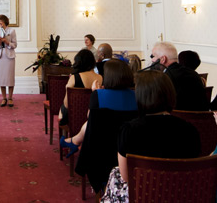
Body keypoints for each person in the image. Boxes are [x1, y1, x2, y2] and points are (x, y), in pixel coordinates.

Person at [101, 70, 201, 202]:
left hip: (142, 196)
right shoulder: (190, 129)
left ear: (140, 96)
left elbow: (126, 177)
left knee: (116, 173)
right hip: (180, 195)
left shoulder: (129, 130)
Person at [65, 60, 137, 193]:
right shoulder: (137, 96)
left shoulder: (99, 95)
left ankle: (75, 141)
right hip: (128, 152)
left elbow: (90, 118)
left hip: (101, 154)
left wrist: (94, 92)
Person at [150, 41, 208, 111]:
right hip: (201, 119)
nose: (152, 60)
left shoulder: (164, 79)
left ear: (163, 59)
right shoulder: (194, 74)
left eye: (153, 56)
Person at [59, 49, 103, 126]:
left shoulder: (74, 77)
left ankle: (63, 133)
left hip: (75, 116)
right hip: (93, 117)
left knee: (62, 108)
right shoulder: (100, 78)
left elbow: (66, 104)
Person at [0, 14, 17, 107]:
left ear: (5, 21)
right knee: (2, 78)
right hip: (1, 56)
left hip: (10, 57)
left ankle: (10, 98)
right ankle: (4, 98)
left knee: (10, 78)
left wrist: (7, 42)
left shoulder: (12, 31)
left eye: (0, 21)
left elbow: (15, 45)